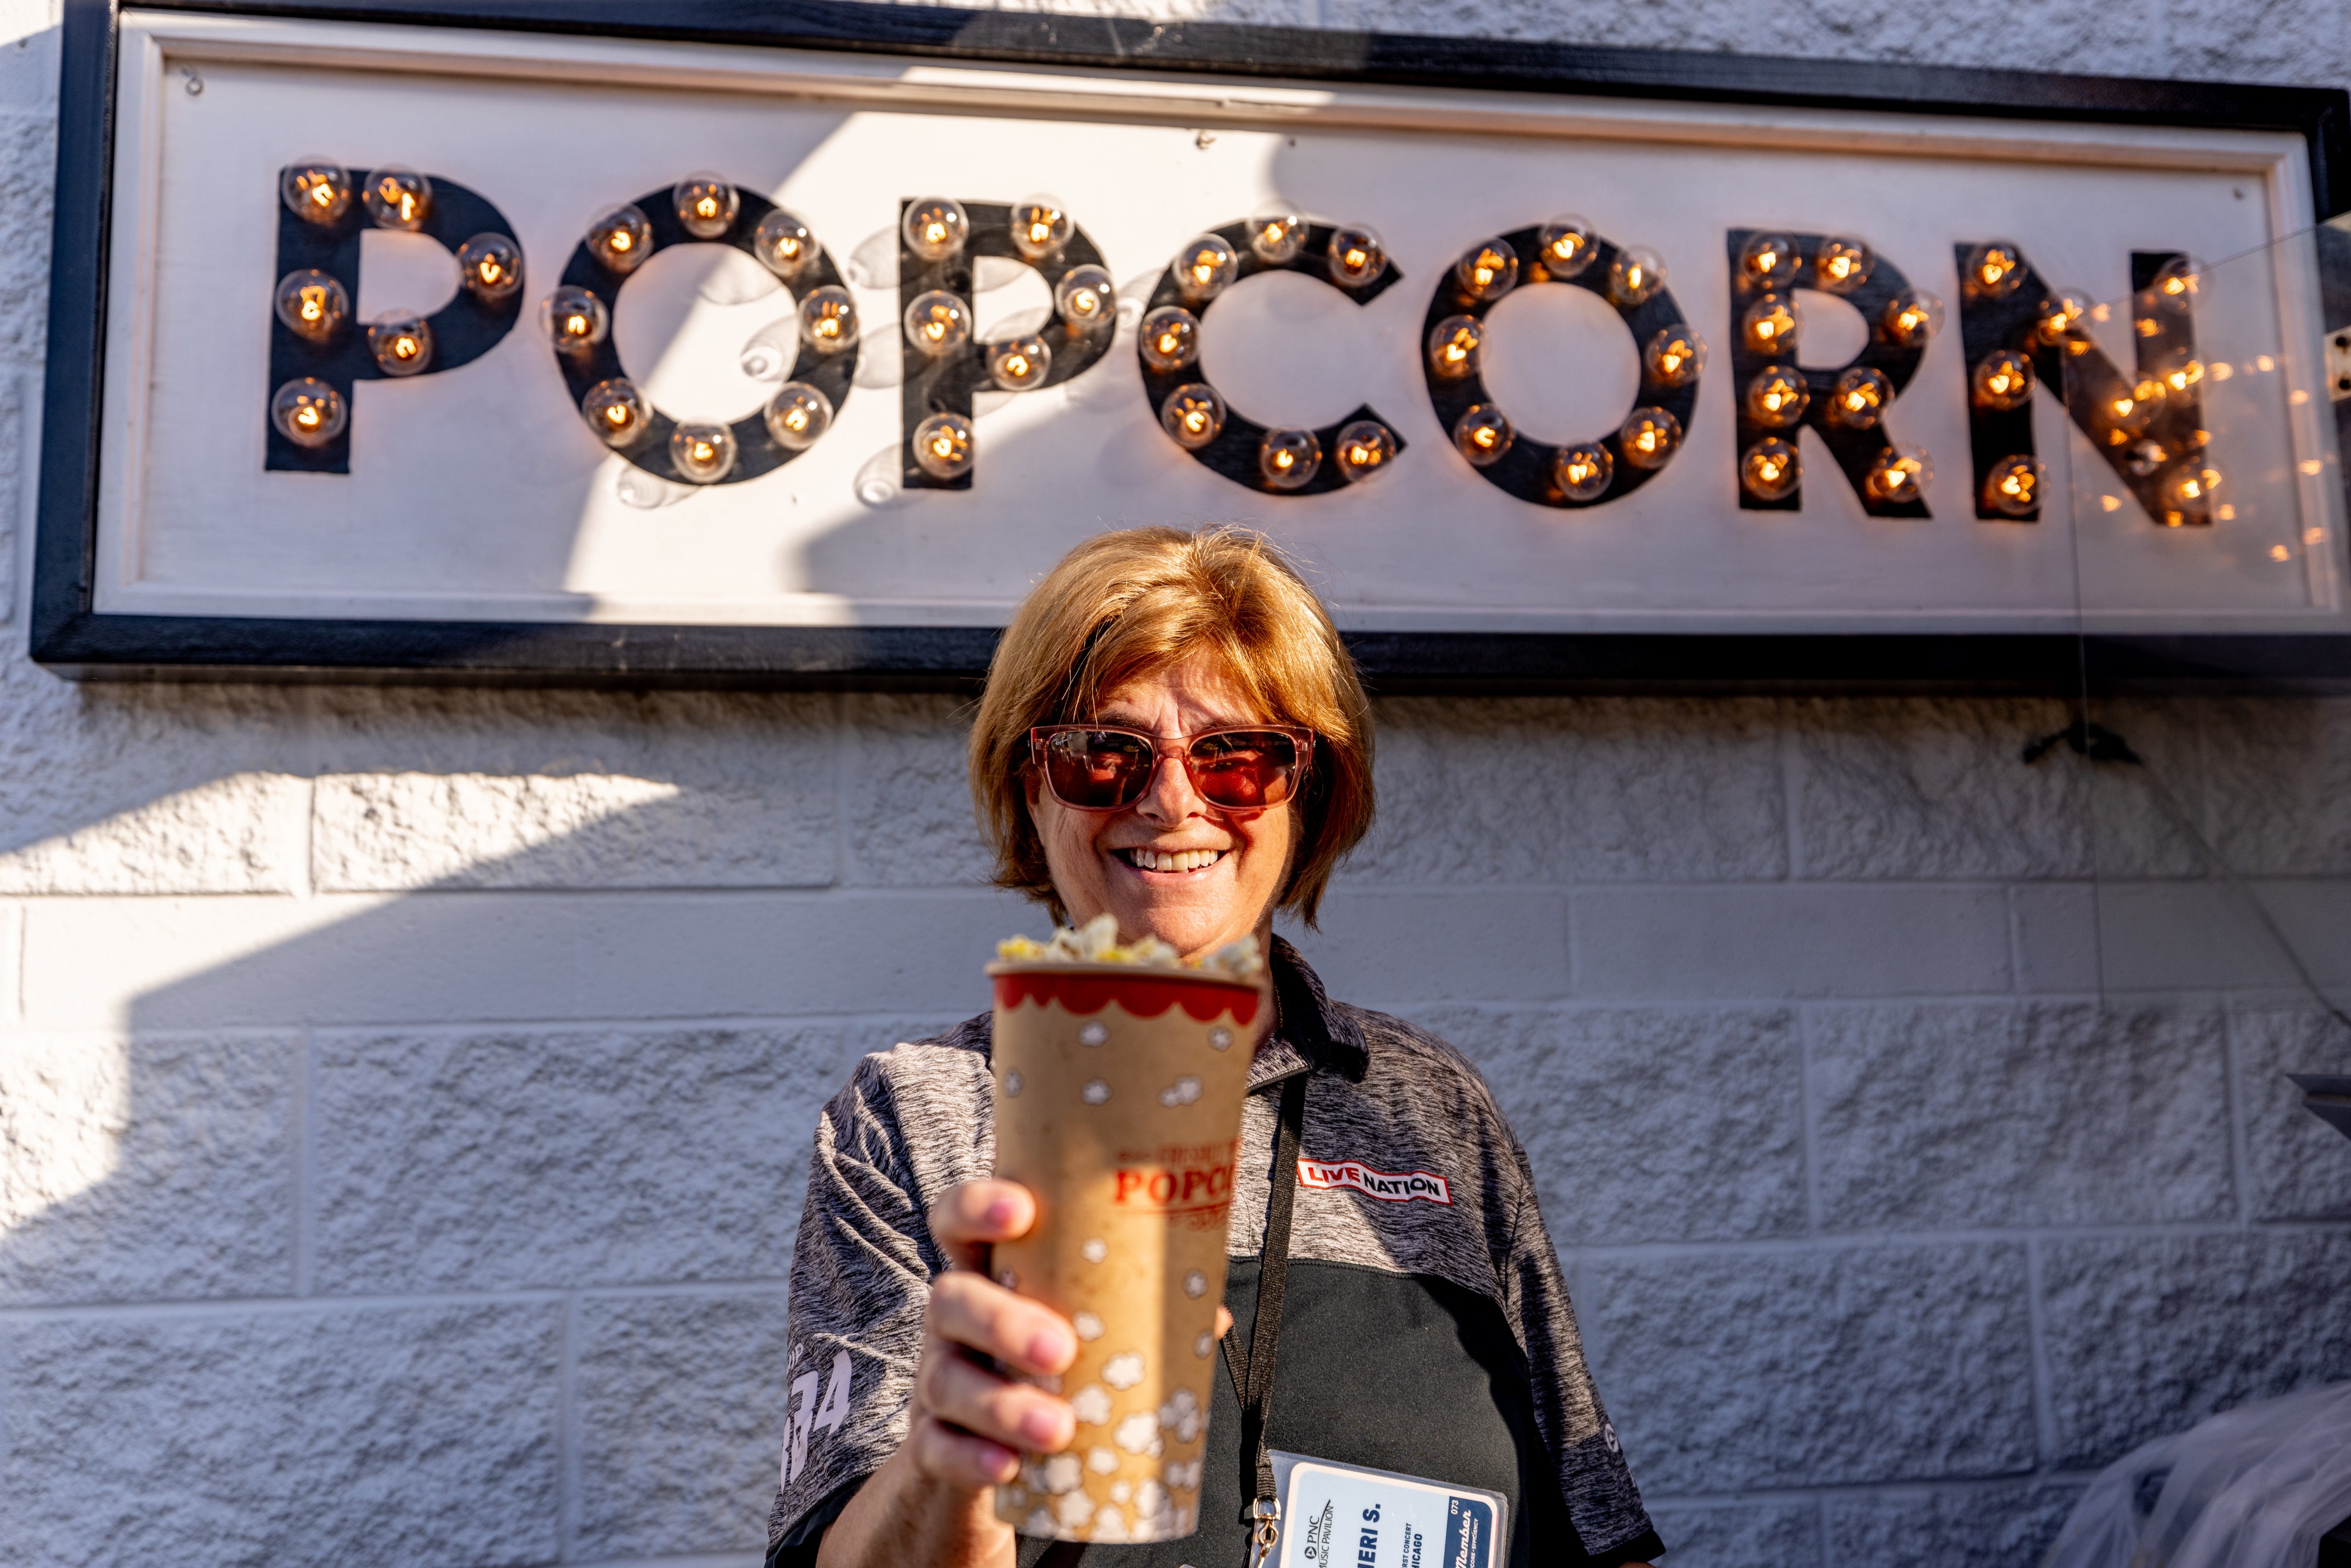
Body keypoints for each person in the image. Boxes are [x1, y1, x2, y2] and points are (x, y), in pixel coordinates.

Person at [763, 526, 1662, 1568]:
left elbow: (1591, 1528)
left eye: (1238, 757)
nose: (1175, 800)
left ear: (1307, 792)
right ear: (1031, 787)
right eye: (1105, 752)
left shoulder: (1427, 1105)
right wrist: (947, 1455)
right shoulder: (917, 1117)